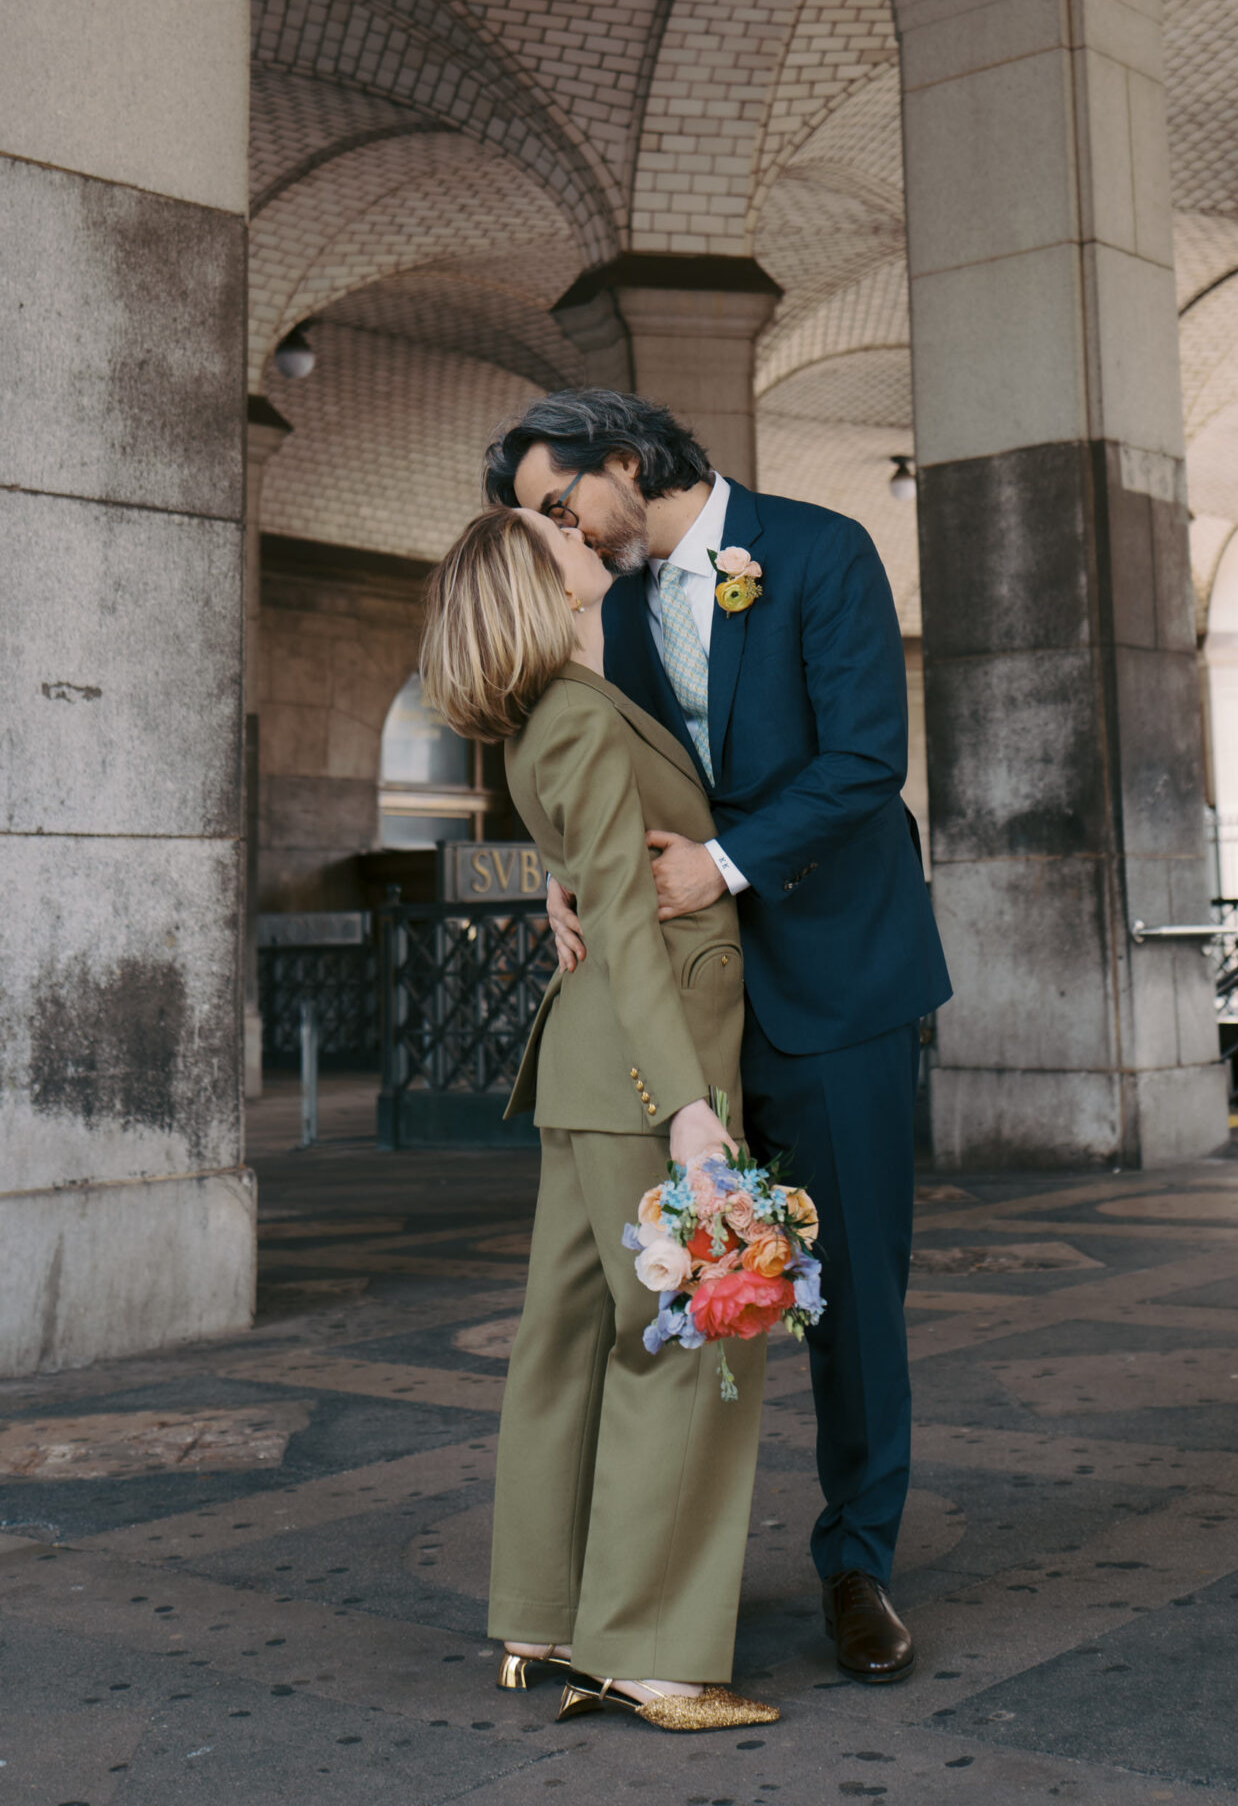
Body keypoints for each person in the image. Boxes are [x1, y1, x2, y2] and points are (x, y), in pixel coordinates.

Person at [486, 389, 951, 1686]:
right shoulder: (606, 602)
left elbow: (866, 760)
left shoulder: (819, 549)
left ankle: (856, 1565)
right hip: (682, 1008)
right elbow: (587, 758)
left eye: (558, 502)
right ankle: (651, 1591)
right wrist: (561, 869)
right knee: (681, 1306)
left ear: (624, 465)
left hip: (838, 986)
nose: (552, 532)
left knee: (855, 1291)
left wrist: (724, 864)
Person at [419, 501, 779, 1736]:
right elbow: (626, 920)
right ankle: (656, 1655)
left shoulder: (560, 710)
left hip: (591, 1066)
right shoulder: (572, 714)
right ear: (540, 581)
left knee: (565, 1337)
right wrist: (690, 1113)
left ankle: (540, 1616)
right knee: (693, 1335)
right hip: (645, 1060)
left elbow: (598, 875)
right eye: (548, 526)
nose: (572, 524)